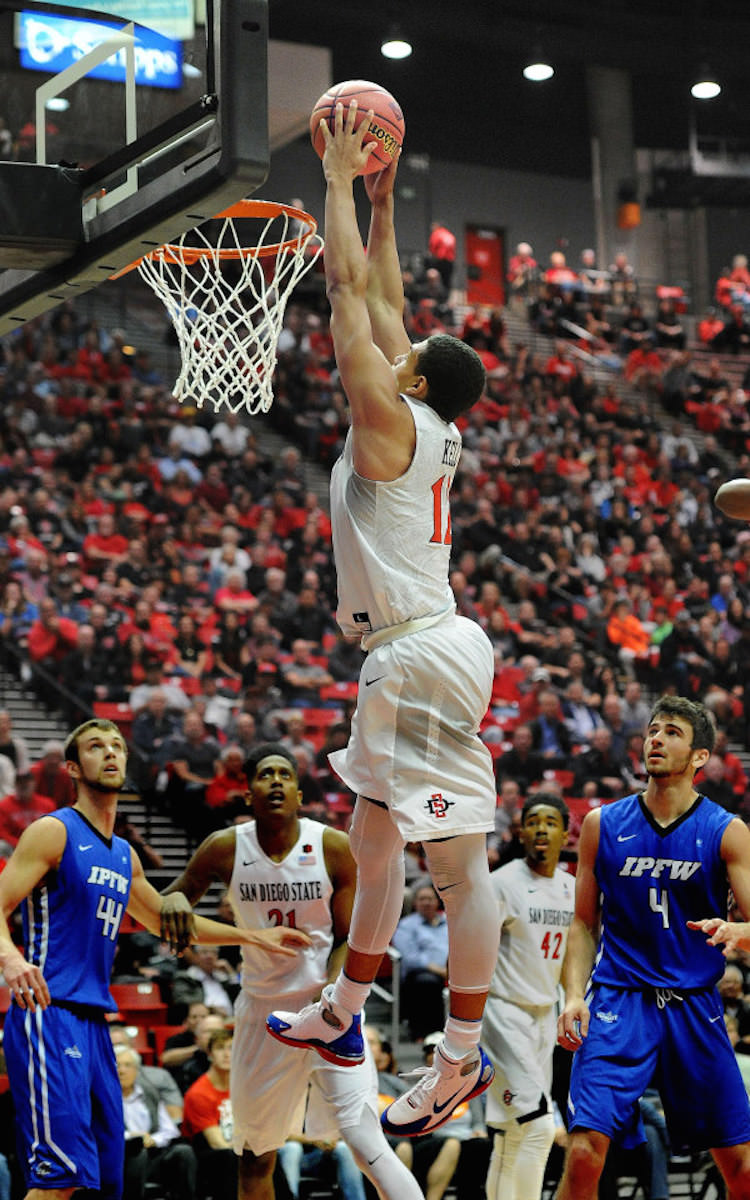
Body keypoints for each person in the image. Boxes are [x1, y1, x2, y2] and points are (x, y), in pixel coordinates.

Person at [266, 99, 497, 1138]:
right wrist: (385, 196)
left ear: (415, 372)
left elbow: (350, 290)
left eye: (413, 344)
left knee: (457, 870)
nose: (400, 336)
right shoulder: (431, 414)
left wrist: (333, 175)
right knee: (371, 834)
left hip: (417, 651)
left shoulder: (387, 421)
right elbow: (392, 289)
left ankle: (458, 1061)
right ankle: (344, 1008)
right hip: (414, 649)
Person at [0, 717, 308, 1200]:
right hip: (49, 1013)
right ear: (73, 768)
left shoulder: (125, 855)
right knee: (60, 1178)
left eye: (118, 746)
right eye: (97, 747)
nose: (111, 753)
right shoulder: (52, 832)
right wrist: (11, 960)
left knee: (105, 1183)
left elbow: (168, 920)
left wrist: (254, 936)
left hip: (96, 1024)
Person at [161, 743, 423, 1200]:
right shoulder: (224, 847)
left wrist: (336, 999)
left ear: (300, 795)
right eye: (265, 775)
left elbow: (349, 938)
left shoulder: (332, 846)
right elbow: (174, 899)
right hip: (263, 1014)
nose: (276, 781)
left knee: (366, 1144)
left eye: (285, 774)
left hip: (329, 1011)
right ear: (248, 795)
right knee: (255, 1155)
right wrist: (179, 898)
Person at [555, 696, 750, 1200]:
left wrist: (739, 932)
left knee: (743, 1168)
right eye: (653, 731)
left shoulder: (726, 831)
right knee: (581, 1155)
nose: (656, 740)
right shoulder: (602, 824)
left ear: (700, 756)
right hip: (621, 998)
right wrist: (574, 995)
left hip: (694, 1004)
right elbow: (582, 923)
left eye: (672, 733)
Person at [483, 794, 574, 1200]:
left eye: (550, 822)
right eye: (533, 822)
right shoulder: (501, 882)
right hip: (503, 1011)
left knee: (511, 1135)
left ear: (565, 832)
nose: (541, 829)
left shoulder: (574, 887)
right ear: (519, 833)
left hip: (544, 1016)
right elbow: (470, 951)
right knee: (538, 1127)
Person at [115, 1043, 197, 1200]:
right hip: (122, 1157)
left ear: (137, 1070)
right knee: (137, 1151)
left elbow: (170, 1130)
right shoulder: (103, 1098)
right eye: (117, 1065)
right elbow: (100, 1131)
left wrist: (153, 1139)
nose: (122, 1070)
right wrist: (132, 1136)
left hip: (153, 1154)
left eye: (128, 1065)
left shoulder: (149, 1093)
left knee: (184, 1152)